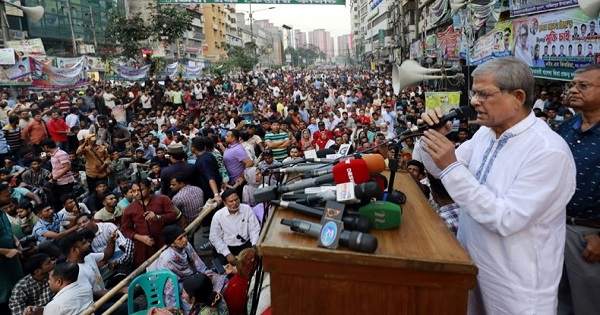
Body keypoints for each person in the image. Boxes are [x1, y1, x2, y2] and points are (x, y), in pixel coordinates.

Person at [418, 57, 576, 314]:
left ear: (518, 96)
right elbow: (441, 169)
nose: (473, 101)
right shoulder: (486, 133)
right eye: (474, 93)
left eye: (483, 94)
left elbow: (506, 218)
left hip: (516, 289)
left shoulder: (548, 152)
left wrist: (450, 165)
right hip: (473, 270)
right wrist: (435, 138)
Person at [556, 64, 600, 315]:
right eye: (572, 85)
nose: (573, 90)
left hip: (589, 237)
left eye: (583, 86)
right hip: (556, 227)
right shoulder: (567, 128)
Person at [149, 225, 227, 311]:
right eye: (180, 238)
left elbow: (199, 265)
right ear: (172, 243)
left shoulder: (187, 246)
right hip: (178, 284)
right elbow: (170, 286)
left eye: (184, 236)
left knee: (221, 279)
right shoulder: (166, 259)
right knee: (196, 294)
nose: (185, 239)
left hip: (193, 277)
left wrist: (206, 276)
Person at [121, 178, 178, 267]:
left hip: (165, 241)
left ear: (150, 187)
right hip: (143, 247)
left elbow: (173, 215)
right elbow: (125, 229)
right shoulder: (129, 209)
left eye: (140, 190)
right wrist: (141, 238)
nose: (137, 193)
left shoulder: (163, 199)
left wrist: (158, 217)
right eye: (133, 191)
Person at [209, 189, 261, 266]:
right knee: (223, 270)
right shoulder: (218, 216)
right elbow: (215, 238)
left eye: (236, 199)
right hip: (227, 247)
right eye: (231, 201)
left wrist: (254, 246)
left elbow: (254, 229)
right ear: (225, 203)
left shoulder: (247, 209)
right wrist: (227, 254)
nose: (235, 203)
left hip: (246, 245)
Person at [22, 262, 94, 315]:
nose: (48, 282)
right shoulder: (86, 286)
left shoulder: (56, 305)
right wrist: (40, 310)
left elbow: (57, 308)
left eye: (50, 279)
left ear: (59, 282)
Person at [0, 183, 24, 314]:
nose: (10, 197)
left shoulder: (2, 211)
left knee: (17, 292)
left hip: (12, 261)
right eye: (6, 196)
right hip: (2, 266)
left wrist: (15, 240)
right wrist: (6, 251)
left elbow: (7, 230)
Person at [40, 138, 75, 210]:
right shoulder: (53, 155)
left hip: (65, 182)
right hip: (58, 182)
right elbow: (57, 167)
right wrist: (52, 175)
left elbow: (67, 167)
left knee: (66, 202)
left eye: (43, 147)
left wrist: (55, 178)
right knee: (57, 202)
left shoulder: (61, 154)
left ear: (46, 146)